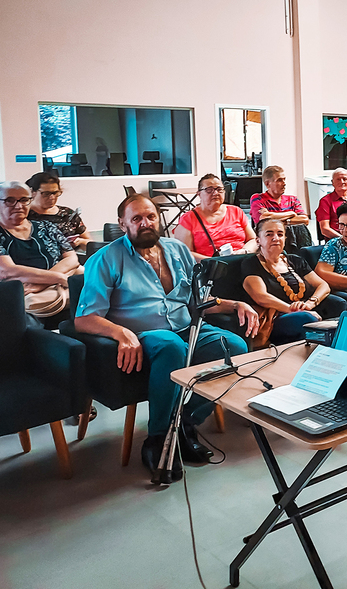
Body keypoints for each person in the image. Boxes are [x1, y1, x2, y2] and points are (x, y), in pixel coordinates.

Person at [75, 194, 257, 479]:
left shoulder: (177, 250)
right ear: (122, 224)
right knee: (172, 346)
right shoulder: (106, 259)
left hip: (187, 326)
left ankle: (185, 422)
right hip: (144, 335)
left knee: (234, 345)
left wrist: (236, 304)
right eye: (136, 219)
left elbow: (198, 300)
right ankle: (158, 439)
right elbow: (84, 319)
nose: (145, 223)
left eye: (150, 216)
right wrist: (122, 333)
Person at [241, 218, 346, 347]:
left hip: (305, 309)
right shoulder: (251, 264)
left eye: (280, 234)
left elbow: (323, 285)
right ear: (258, 240)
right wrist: (294, 310)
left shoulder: (294, 260)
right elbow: (261, 297)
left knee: (339, 304)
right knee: (306, 319)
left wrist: (310, 303)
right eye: (269, 234)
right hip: (277, 317)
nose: (275, 238)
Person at [0, 181, 81, 328]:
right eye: (9, 201)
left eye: (24, 200)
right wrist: (58, 278)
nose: (18, 206)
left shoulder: (47, 227)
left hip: (54, 291)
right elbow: (7, 271)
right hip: (18, 301)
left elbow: (71, 258)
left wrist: (40, 284)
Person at [173, 174, 256, 260]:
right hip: (210, 267)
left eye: (219, 189)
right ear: (199, 194)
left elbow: (253, 240)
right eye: (209, 190)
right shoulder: (188, 219)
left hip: (242, 261)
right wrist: (212, 262)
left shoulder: (236, 211)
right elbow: (185, 253)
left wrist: (244, 251)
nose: (215, 193)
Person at [26, 171, 90, 248]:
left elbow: (90, 242)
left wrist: (80, 241)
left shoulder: (68, 214)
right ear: (32, 192)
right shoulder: (24, 214)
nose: (52, 197)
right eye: (46, 194)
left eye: (55, 193)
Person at [315, 168, 347, 240]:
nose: (342, 182)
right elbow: (324, 229)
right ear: (333, 182)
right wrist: (344, 239)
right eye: (338, 179)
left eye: (344, 179)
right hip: (337, 240)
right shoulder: (325, 201)